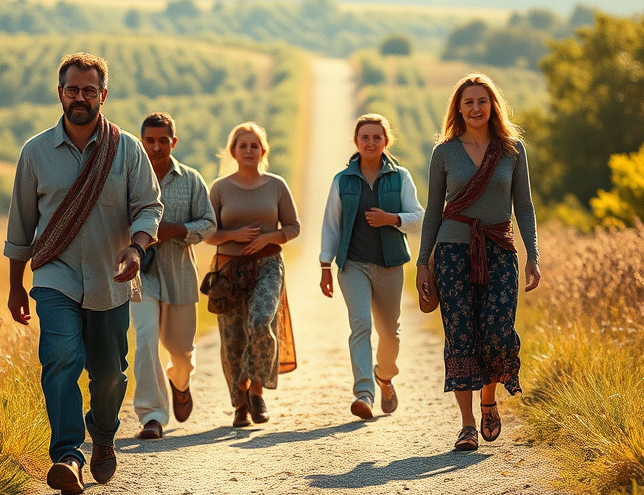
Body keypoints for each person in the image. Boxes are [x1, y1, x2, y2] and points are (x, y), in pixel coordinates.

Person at [5, 52, 162, 495]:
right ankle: (68, 456)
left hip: (111, 278)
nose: (80, 97)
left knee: (110, 376)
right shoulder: (34, 152)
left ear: (103, 96)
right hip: (55, 277)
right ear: (60, 93)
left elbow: (149, 206)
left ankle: (104, 434)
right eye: (72, 89)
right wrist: (17, 284)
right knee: (60, 360)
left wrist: (136, 247)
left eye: (89, 90)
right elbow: (20, 225)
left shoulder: (127, 148)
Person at [415, 74, 541, 452]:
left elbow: (525, 207)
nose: (475, 108)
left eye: (482, 101)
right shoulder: (445, 153)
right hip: (452, 253)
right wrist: (423, 263)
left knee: (497, 332)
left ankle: (490, 399)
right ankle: (467, 425)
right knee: (461, 336)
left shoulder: (512, 150)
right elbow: (433, 210)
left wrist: (532, 254)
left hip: (500, 251)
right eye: (468, 102)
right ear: (458, 108)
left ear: (492, 106)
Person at [319, 114, 424, 420]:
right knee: (361, 324)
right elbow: (331, 224)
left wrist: (391, 219)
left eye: (377, 137)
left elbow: (418, 217)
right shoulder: (342, 180)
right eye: (365, 137)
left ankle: (385, 376)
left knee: (390, 333)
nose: (370, 142)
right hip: (353, 265)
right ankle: (364, 392)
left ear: (385, 141)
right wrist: (325, 265)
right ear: (356, 141)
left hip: (391, 265)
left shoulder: (400, 177)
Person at [207, 122, 300, 427]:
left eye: (254, 145)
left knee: (261, 322)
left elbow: (293, 228)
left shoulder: (276, 185)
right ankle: (239, 402)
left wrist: (266, 238)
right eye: (242, 145)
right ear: (233, 151)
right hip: (228, 270)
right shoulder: (220, 188)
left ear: (263, 151)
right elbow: (208, 233)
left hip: (268, 264)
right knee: (232, 339)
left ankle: (256, 389)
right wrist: (234, 233)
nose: (248, 150)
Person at [131, 112, 216, 439]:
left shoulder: (191, 179)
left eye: (162, 140)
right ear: (142, 142)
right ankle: (152, 416)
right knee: (146, 336)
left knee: (181, 351)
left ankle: (180, 383)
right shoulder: (130, 178)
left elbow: (209, 224)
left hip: (180, 273)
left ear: (173, 142)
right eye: (149, 140)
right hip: (141, 275)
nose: (156, 147)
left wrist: (177, 230)